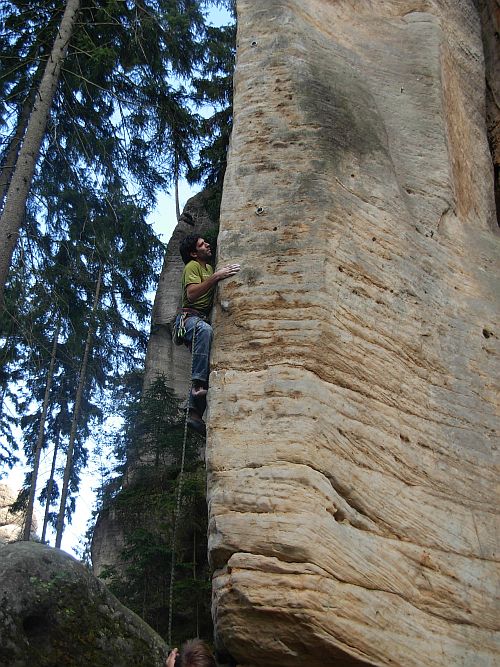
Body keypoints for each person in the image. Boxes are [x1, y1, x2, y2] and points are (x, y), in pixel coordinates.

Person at [175, 234, 240, 435]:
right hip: (189, 320)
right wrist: (216, 277)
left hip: (200, 318)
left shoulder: (209, 268)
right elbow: (192, 294)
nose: (208, 245)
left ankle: (195, 414)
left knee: (207, 353)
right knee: (204, 331)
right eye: (202, 245)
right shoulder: (192, 267)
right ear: (194, 253)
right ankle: (197, 385)